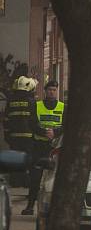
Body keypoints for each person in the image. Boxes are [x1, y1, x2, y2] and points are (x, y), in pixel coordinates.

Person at [2, 76, 41, 214]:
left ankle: (15, 182)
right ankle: (26, 184)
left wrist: (8, 136)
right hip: (28, 139)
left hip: (14, 139)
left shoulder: (10, 101)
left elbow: (6, 120)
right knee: (29, 164)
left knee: (14, 163)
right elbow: (34, 121)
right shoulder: (31, 102)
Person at [27, 80, 65, 214]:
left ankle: (57, 207)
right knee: (35, 178)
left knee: (56, 179)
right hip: (39, 146)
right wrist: (44, 132)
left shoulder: (62, 107)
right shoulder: (36, 105)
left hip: (56, 148)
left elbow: (66, 125)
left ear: (57, 91)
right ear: (45, 91)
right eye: (49, 90)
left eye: (54, 90)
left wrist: (55, 133)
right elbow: (31, 123)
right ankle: (30, 206)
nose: (52, 92)